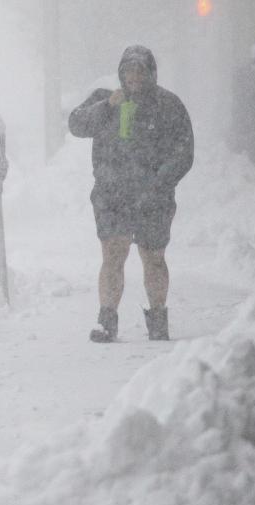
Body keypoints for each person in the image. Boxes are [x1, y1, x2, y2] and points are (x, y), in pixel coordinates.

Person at [68, 45, 194, 342]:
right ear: (120, 73)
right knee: (113, 255)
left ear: (151, 73)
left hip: (154, 198)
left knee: (153, 257)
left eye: (140, 71)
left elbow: (184, 152)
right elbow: (76, 124)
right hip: (111, 195)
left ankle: (158, 318)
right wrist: (107, 106)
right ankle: (106, 320)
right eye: (128, 71)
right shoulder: (106, 100)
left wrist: (159, 183)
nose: (134, 77)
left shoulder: (168, 105)